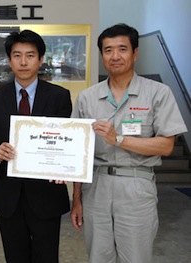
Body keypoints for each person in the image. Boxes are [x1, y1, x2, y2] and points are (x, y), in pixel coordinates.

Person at [70, 23, 188, 263]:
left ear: (135, 53)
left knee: (136, 257)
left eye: (122, 49)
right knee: (98, 257)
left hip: (137, 185)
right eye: (108, 50)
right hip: (96, 187)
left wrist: (119, 139)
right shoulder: (87, 97)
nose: (115, 56)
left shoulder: (158, 93)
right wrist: (77, 200)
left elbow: (166, 146)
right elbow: (77, 152)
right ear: (101, 55)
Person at [0, 30, 72, 263]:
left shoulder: (59, 96)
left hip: (46, 196)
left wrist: (64, 165)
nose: (23, 62)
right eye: (17, 55)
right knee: (15, 257)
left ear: (40, 59)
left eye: (30, 55)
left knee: (46, 257)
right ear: (9, 60)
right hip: (9, 196)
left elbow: (66, 141)